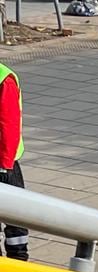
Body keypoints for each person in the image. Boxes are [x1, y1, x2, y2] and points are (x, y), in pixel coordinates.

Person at [0, 63, 29, 261]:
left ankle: (17, 260)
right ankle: (17, 260)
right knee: (16, 214)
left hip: (4, 162)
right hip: (5, 162)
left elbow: (7, 124)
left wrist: (5, 163)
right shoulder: (5, 77)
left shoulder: (4, 80)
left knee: (15, 216)